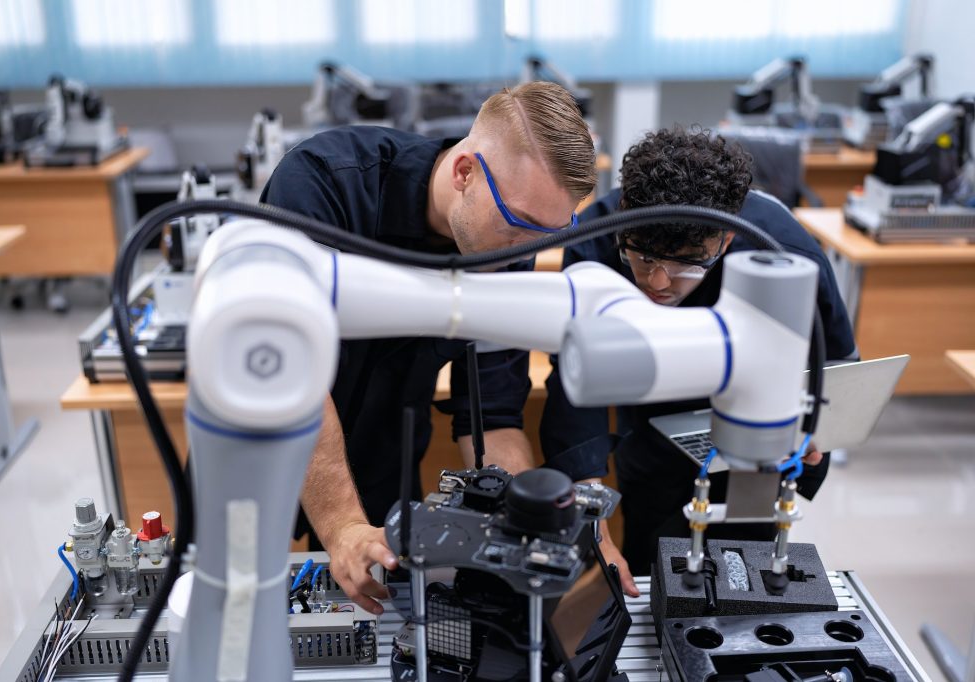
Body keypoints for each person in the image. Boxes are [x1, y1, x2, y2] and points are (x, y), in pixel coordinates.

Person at [261, 82, 597, 614]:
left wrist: (520, 527)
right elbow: (290, 371)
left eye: (545, 236)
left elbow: (493, 411)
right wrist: (341, 522)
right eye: (520, 225)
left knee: (375, 608)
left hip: (382, 452)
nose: (526, 250)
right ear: (464, 172)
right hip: (265, 440)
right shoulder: (325, 181)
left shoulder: (511, 246)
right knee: (240, 617)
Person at [540, 127, 857, 594]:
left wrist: (817, 431)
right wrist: (592, 522)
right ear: (626, 216)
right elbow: (574, 384)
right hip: (650, 426)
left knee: (745, 571)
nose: (659, 282)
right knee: (651, 557)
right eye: (643, 257)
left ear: (725, 239)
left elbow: (836, 367)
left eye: (688, 264)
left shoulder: (781, 252)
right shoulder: (596, 240)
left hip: (757, 442)